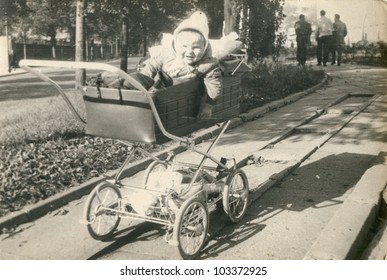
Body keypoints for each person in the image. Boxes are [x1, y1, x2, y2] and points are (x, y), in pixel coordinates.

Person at [140, 11, 222, 119]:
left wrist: (208, 106)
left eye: (196, 47)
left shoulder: (207, 64)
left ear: (205, 47)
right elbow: (152, 64)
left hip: (178, 94)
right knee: (142, 79)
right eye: (184, 46)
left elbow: (214, 86)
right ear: (176, 45)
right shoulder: (167, 55)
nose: (189, 52)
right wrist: (142, 78)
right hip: (157, 88)